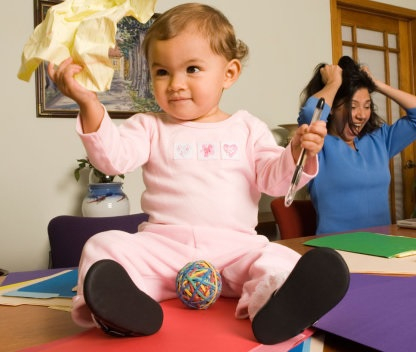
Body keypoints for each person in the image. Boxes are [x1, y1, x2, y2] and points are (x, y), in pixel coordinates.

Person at [47, 3, 349, 345]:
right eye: (162, 72)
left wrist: (297, 152)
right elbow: (111, 160)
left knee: (278, 257)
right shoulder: (149, 126)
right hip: (162, 248)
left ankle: (274, 307)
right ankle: (122, 311)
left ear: (229, 74)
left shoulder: (248, 128)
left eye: (192, 68)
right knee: (103, 245)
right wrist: (89, 104)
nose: (175, 84)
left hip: (235, 249)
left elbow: (275, 181)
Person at [298, 56, 416, 234]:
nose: (361, 115)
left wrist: (376, 84)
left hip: (382, 248)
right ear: (332, 107)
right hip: (337, 248)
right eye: (353, 106)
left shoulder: (379, 140)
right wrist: (333, 83)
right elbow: (311, 112)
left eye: (366, 106)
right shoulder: (317, 144)